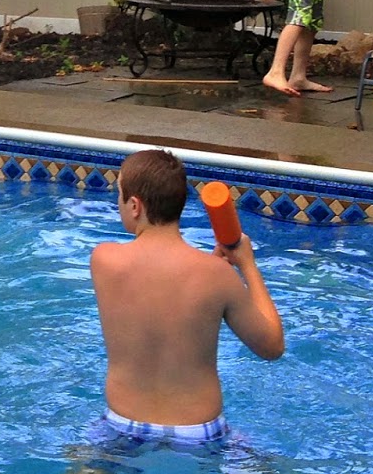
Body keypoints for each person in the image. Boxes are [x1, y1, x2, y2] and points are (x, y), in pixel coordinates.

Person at [89, 148, 284, 445]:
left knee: (78, 470)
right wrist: (247, 265)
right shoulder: (217, 276)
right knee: (256, 471)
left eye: (119, 196)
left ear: (135, 206)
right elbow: (272, 347)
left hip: (121, 427)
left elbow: (158, 291)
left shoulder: (104, 260)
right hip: (199, 434)